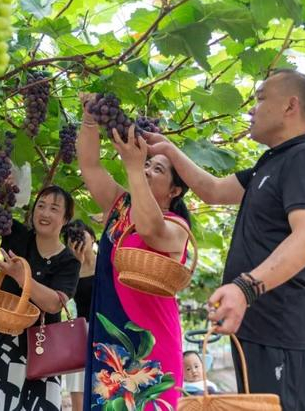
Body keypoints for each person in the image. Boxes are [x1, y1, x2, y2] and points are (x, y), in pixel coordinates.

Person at [143, 69, 305, 411]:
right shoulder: (272, 163)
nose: (252, 108)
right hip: (257, 332)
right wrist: (169, 151)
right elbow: (213, 190)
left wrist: (245, 287)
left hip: (284, 334)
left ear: (290, 106)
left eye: (261, 99)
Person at [77, 93, 192, 410]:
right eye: (147, 165)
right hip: (109, 341)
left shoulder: (177, 226)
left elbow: (149, 229)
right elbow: (89, 165)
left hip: (151, 347)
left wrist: (134, 167)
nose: (147, 170)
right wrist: (89, 119)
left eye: (157, 169)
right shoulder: (120, 207)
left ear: (174, 190)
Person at [0, 183, 81, 411]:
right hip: (6, 345)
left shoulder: (69, 261)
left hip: (44, 353)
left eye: (54, 208)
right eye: (40, 206)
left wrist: (21, 277)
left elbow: (54, 303)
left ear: (65, 219)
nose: (45, 213)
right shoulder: (17, 236)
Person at [62, 220, 97, 411]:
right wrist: (76, 264)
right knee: (78, 389)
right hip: (82, 332)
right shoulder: (70, 269)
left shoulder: (108, 264)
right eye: (72, 236)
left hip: (108, 331)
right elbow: (61, 298)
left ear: (93, 237)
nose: (78, 238)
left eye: (82, 233)